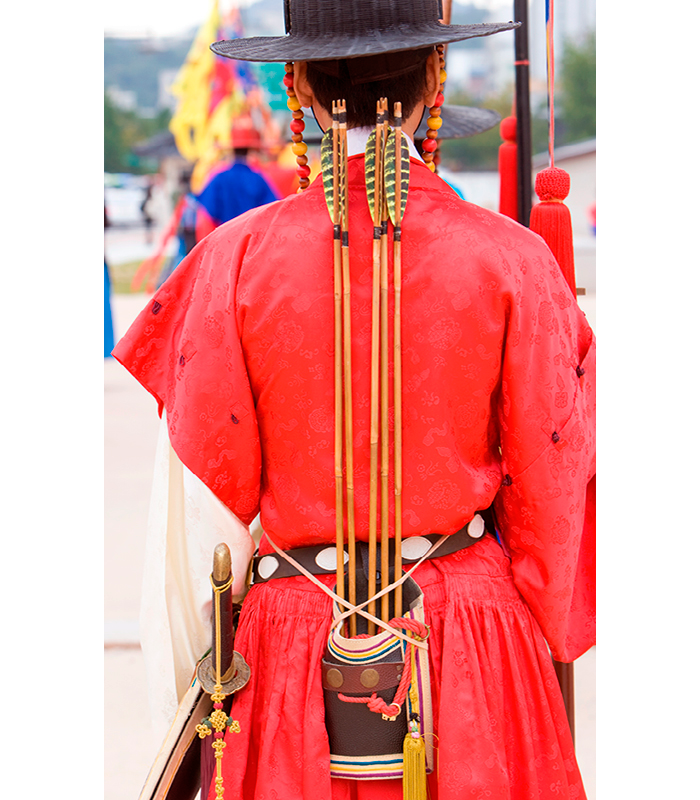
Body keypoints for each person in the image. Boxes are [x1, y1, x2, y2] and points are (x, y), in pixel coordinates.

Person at [113, 2, 595, 799]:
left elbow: (197, 535)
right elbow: (556, 504)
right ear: (435, 79)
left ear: (295, 84)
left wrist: (191, 725)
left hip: (295, 646)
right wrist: (536, 662)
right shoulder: (515, 259)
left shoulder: (232, 261)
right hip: (470, 643)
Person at [194, 123, 280, 242]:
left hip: (225, 242)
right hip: (251, 244)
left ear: (232, 150)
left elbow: (208, 212)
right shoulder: (258, 178)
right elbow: (273, 209)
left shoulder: (218, 178)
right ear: (250, 150)